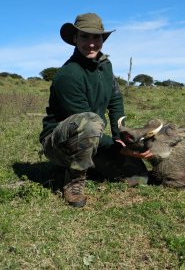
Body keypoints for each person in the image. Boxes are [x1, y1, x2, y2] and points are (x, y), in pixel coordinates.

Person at [40, 13, 152, 208]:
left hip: (92, 136)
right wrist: (123, 150)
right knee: (91, 121)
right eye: (84, 37)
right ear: (75, 39)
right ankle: (74, 180)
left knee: (139, 177)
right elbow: (85, 122)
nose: (91, 43)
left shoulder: (105, 66)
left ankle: (89, 165)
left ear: (102, 40)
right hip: (60, 142)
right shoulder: (68, 75)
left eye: (96, 37)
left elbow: (115, 99)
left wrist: (121, 137)